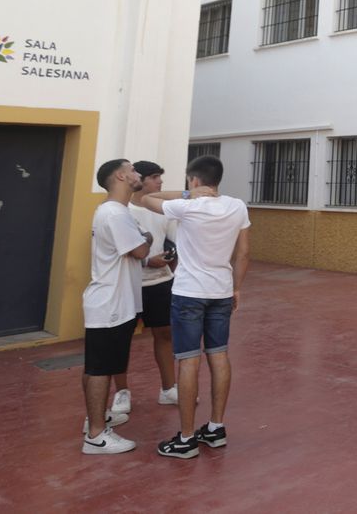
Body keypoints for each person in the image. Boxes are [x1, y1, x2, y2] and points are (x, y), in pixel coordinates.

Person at [134, 154, 250, 459]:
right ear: (218, 179)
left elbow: (146, 198)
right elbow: (244, 253)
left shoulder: (186, 206)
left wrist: (187, 194)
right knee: (219, 354)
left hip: (188, 293)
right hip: (221, 291)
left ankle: (186, 438)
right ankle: (215, 428)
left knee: (188, 360)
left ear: (194, 180)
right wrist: (236, 288)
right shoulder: (237, 206)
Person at [81, 159, 152, 455]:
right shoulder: (115, 213)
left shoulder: (113, 211)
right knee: (99, 368)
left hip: (114, 301)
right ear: (122, 176)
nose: (138, 175)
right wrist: (147, 238)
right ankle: (96, 435)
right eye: (133, 170)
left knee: (100, 364)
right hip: (110, 303)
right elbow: (139, 250)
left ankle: (96, 419)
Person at [129, 161, 180, 406]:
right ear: (140, 180)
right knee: (122, 340)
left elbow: (178, 241)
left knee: (165, 334)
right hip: (129, 285)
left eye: (160, 177)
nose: (160, 182)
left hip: (161, 283)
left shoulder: (164, 211)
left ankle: (169, 388)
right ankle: (121, 395)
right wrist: (148, 261)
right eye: (155, 177)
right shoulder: (121, 211)